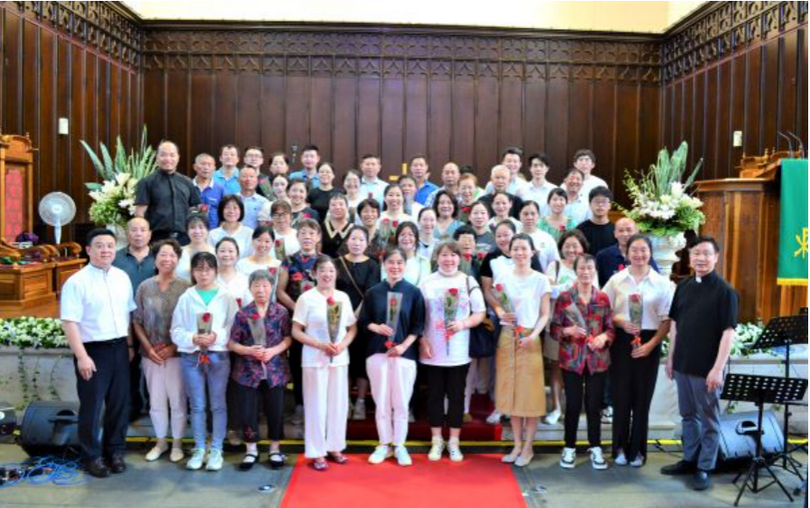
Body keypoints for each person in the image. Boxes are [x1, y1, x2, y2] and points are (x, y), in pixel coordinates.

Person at [660, 236, 738, 491]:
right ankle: (689, 459)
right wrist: (671, 357)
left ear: (716, 257)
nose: (701, 258)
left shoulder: (725, 291)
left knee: (708, 419)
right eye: (696, 253)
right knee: (687, 415)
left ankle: (705, 467)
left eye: (706, 253)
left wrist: (717, 369)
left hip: (707, 367)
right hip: (683, 363)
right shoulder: (683, 286)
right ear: (690, 257)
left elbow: (728, 332)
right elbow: (675, 323)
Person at [61, 228, 136, 478]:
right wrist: (82, 357)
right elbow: (69, 322)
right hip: (93, 351)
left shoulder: (122, 277)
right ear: (88, 250)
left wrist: (129, 346)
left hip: (119, 348)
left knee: (119, 404)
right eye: (100, 246)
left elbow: (128, 315)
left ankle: (115, 452)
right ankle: (91, 456)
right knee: (92, 407)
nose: (106, 250)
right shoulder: (76, 282)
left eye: (110, 246)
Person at [603, 234, 674, 468]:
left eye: (643, 250)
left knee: (642, 400)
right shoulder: (616, 280)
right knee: (621, 397)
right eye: (634, 250)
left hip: (649, 342)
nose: (639, 254)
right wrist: (621, 322)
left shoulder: (661, 283)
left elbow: (667, 319)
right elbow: (603, 310)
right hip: (622, 342)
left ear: (650, 253)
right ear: (627, 253)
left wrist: (651, 345)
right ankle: (620, 448)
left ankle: (638, 450)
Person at [419, 241, 486, 462]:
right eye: (444, 255)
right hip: (433, 350)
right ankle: (437, 440)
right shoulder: (427, 282)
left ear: (460, 258)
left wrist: (462, 324)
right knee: (435, 396)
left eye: (453, 255)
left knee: (457, 396)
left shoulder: (468, 281)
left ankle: (454, 442)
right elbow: (419, 315)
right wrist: (422, 339)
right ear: (437, 257)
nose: (449, 259)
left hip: (459, 350)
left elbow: (480, 313)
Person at [171, 252, 238, 471]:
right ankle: (199, 448)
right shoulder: (186, 297)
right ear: (192, 272)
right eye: (198, 269)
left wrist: (216, 336)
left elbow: (233, 326)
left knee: (218, 404)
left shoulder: (226, 296)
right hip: (192, 356)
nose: (203, 273)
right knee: (197, 405)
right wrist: (192, 338)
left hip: (218, 355)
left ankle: (216, 449)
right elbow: (176, 330)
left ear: (215, 271)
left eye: (208, 269)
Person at [292, 255, 358, 471]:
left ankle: (335, 447)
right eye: (322, 270)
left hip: (339, 358)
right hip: (314, 358)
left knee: (338, 404)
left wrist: (342, 345)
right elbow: (296, 331)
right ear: (314, 274)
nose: (327, 274)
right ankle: (317, 451)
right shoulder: (306, 298)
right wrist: (319, 345)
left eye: (331, 270)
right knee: (316, 405)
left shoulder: (343, 297)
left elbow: (352, 328)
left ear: (336, 273)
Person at [361, 248, 426, 466]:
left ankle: (399, 445)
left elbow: (418, 325)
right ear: (384, 264)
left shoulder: (414, 292)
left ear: (405, 265)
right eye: (391, 262)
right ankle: (383, 443)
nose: (395, 266)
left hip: (404, 355)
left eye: (399, 262)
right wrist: (376, 327)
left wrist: (404, 346)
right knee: (381, 402)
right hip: (377, 352)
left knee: (401, 402)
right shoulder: (373, 292)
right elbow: (363, 321)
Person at [551, 254, 614, 471]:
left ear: (595, 270)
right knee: (573, 405)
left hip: (597, 360)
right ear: (575, 271)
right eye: (582, 268)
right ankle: (569, 447)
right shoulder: (565, 298)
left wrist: (603, 337)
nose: (586, 272)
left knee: (594, 406)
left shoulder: (603, 298)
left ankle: (595, 447)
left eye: (589, 268)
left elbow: (610, 329)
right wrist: (567, 331)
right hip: (572, 360)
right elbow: (554, 329)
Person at [493, 234, 551, 467]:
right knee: (512, 393)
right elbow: (498, 305)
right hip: (508, 336)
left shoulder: (540, 280)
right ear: (510, 251)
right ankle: (517, 444)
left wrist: (533, 335)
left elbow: (545, 314)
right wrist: (500, 313)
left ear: (532, 251)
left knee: (530, 395)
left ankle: (528, 446)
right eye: (515, 249)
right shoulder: (503, 277)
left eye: (524, 248)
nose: (519, 253)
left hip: (530, 337)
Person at [479, 220, 545, 425]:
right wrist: (500, 311)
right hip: (503, 320)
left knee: (525, 370)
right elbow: (488, 290)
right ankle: (501, 406)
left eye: (506, 234)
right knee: (504, 366)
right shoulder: (491, 258)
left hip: (528, 324)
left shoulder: (531, 260)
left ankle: (522, 408)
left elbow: (539, 293)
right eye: (498, 235)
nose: (503, 239)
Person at [132, 239, 190, 464]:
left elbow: (191, 323)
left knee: (177, 400)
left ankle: (177, 443)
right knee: (156, 401)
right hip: (151, 355)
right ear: (154, 259)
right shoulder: (144, 287)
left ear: (178, 259)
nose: (167, 259)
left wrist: (173, 347)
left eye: (172, 255)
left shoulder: (186, 287)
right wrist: (147, 347)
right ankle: (160, 441)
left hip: (177, 354)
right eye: (162, 255)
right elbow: (137, 320)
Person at [229, 270, 292, 470]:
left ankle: (274, 449)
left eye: (265, 285)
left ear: (272, 288)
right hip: (248, 371)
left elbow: (288, 338)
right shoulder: (242, 314)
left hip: (275, 370)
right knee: (248, 411)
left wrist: (273, 351)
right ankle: (251, 450)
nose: (261, 290)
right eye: (256, 285)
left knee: (276, 410)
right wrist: (248, 350)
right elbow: (232, 343)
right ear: (250, 288)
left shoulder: (281, 312)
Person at [277, 218, 322, 424]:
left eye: (311, 233)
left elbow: (331, 289)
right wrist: (300, 310)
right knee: (297, 362)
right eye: (303, 233)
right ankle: (299, 406)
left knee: (319, 361)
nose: (307, 237)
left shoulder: (325, 261)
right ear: (297, 236)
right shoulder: (288, 261)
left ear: (318, 237)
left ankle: (318, 406)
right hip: (296, 320)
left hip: (320, 321)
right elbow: (280, 291)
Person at [335, 225, 382, 420]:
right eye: (353, 238)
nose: (356, 243)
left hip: (362, 320)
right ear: (347, 241)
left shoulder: (373, 265)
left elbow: (370, 293)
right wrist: (344, 317)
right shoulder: (336, 263)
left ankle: (361, 402)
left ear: (367, 243)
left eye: (361, 239)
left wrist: (354, 316)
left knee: (361, 361)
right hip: (339, 320)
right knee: (344, 361)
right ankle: (345, 401)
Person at [112, 217, 154, 421]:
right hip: (124, 321)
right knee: (128, 366)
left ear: (150, 234)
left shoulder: (159, 256)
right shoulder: (115, 258)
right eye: (134, 230)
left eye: (142, 230)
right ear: (127, 234)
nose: (138, 234)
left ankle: (154, 405)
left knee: (153, 365)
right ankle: (132, 406)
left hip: (153, 323)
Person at [134, 140, 201, 245]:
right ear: (157, 158)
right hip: (156, 239)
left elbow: (194, 209)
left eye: (172, 155)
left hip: (184, 238)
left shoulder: (187, 182)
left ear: (178, 157)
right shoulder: (146, 182)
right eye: (163, 155)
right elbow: (140, 213)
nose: (168, 159)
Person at [596, 217, 660, 286]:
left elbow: (656, 280)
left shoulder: (642, 256)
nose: (625, 234)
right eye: (621, 231)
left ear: (637, 232)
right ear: (615, 234)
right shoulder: (603, 256)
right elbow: (598, 284)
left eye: (629, 230)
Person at [518, 201, 561, 271]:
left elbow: (555, 264)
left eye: (533, 214)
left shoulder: (547, 238)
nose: (529, 217)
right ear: (519, 215)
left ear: (539, 215)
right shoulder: (514, 237)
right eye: (525, 214)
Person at [208, 195, 254, 260]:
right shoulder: (213, 234)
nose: (231, 211)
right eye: (227, 207)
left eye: (235, 208)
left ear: (241, 211)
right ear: (221, 211)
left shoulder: (249, 233)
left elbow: (251, 257)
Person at [576, 186, 616, 256]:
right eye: (596, 201)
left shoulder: (615, 230)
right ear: (590, 205)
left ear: (610, 205)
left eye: (604, 202)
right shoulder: (580, 229)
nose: (600, 205)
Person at [391, 222, 432, 286]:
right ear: (397, 239)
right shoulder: (389, 261)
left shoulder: (424, 262)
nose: (406, 238)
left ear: (416, 239)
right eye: (402, 234)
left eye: (410, 234)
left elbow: (425, 285)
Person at [177, 214, 216, 282]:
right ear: (187, 231)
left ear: (207, 230)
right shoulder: (178, 252)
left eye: (201, 227)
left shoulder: (215, 252)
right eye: (192, 227)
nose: (197, 231)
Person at [215, 237, 252, 306]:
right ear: (216, 254)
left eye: (231, 251)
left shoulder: (244, 280)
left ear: (237, 255)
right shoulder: (209, 278)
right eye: (222, 251)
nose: (226, 254)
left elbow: (249, 306)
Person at [192, 153, 225, 229]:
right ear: (195, 167)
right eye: (203, 164)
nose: (206, 167)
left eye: (209, 165)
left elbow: (223, 213)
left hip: (213, 231)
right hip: (192, 231)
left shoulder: (220, 189)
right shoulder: (188, 186)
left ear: (214, 168)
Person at [237, 165, 271, 230]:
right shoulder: (233, 200)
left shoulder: (264, 202)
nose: (248, 179)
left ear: (257, 180)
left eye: (251, 176)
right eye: (244, 176)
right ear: (238, 180)